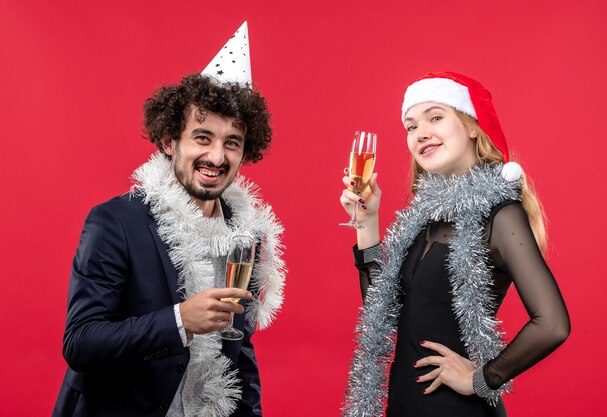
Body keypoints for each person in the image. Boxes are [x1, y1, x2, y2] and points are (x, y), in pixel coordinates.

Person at [53, 23, 285, 417]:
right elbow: (81, 342)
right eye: (202, 137)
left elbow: (239, 353)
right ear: (168, 141)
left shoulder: (245, 236)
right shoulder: (115, 223)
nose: (216, 156)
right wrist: (179, 320)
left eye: (232, 142)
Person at [340, 72, 570, 417]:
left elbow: (552, 324)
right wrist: (367, 222)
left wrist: (482, 378)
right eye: (411, 126)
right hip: (403, 405)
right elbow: (382, 311)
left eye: (435, 117)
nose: (421, 133)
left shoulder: (501, 216)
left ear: (472, 126)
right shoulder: (423, 221)